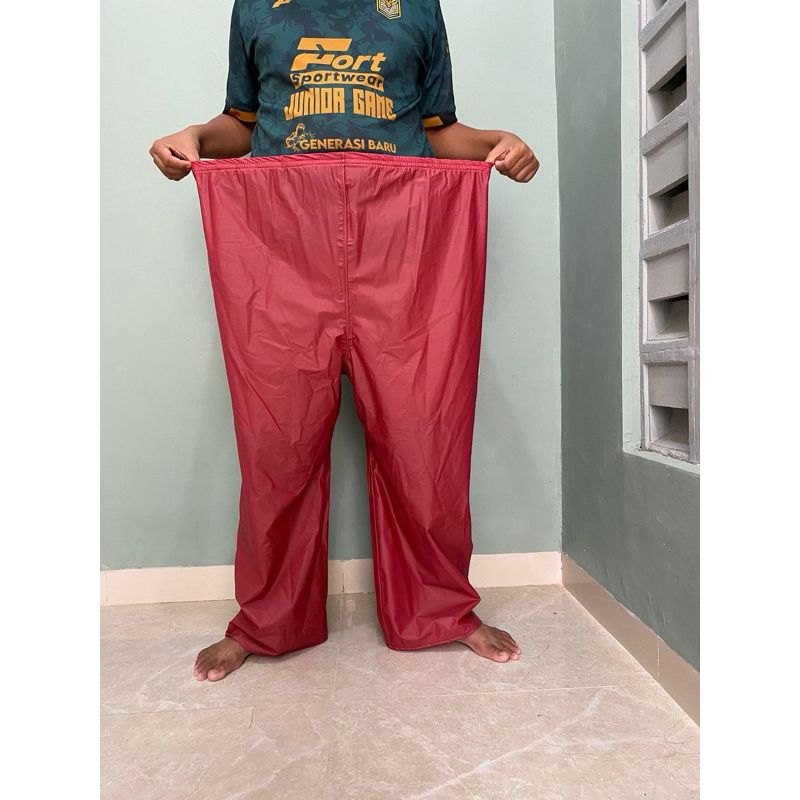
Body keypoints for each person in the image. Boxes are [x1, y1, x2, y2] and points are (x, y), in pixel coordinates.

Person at [150, 0, 539, 682]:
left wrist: (498, 143)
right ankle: (266, 619)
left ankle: (441, 610)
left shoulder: (417, 6)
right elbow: (242, 124)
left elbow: (439, 131)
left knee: (422, 433)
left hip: (406, 235)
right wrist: (195, 138)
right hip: (281, 235)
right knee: (278, 439)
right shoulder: (257, 6)